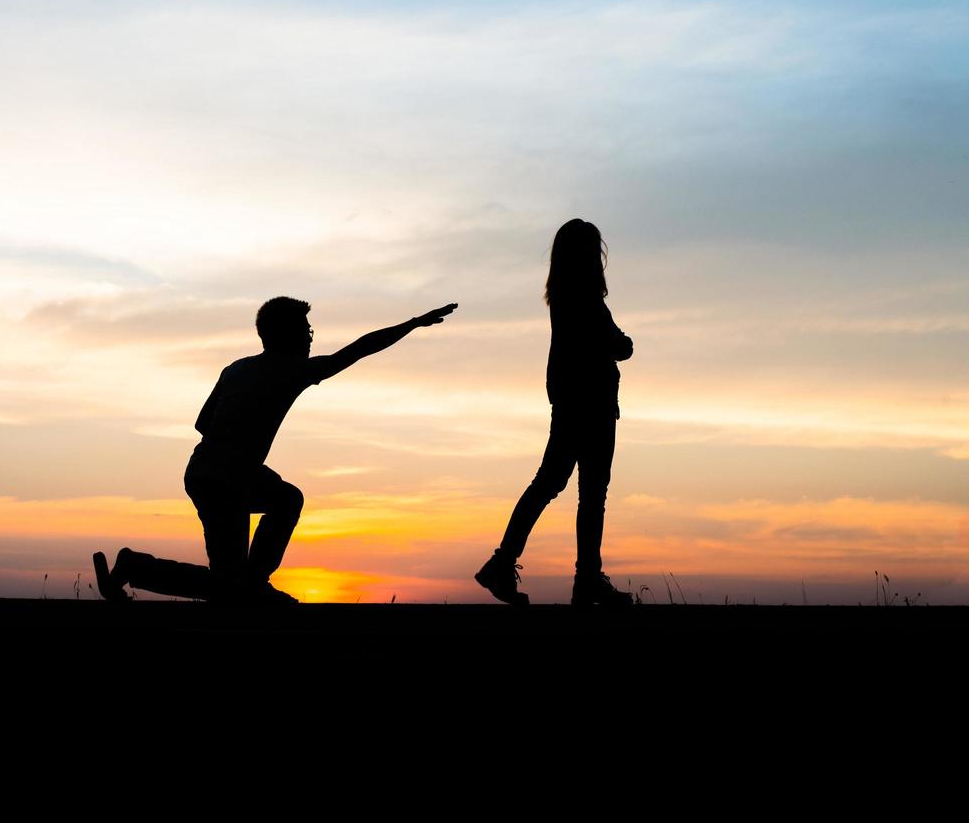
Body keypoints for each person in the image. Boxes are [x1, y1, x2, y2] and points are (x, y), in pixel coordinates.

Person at [95, 297, 458, 604]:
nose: (311, 337)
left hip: (208, 470)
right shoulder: (293, 370)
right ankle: (141, 568)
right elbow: (358, 350)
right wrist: (412, 324)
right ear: (287, 334)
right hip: (226, 479)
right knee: (230, 587)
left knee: (283, 502)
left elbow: (202, 423)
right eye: (305, 330)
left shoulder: (235, 369)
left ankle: (248, 583)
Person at [476, 219, 636, 606]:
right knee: (587, 492)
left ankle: (512, 565)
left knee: (551, 485)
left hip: (571, 402)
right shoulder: (586, 299)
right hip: (591, 404)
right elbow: (618, 345)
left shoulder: (564, 296)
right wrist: (624, 342)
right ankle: (584, 579)